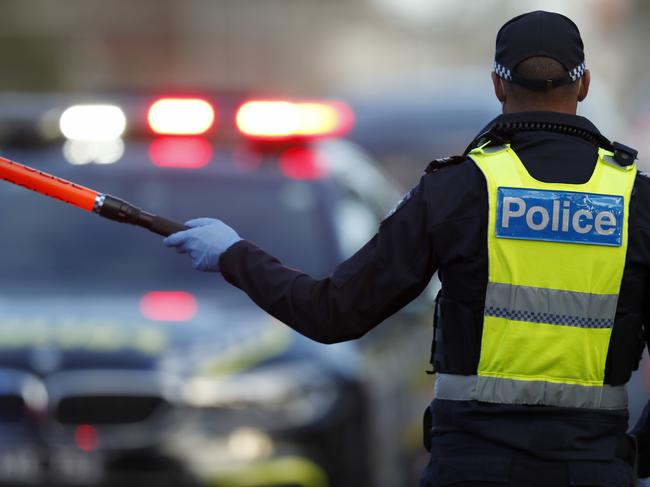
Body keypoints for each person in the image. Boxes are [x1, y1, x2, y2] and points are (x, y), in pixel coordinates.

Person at [164, 10, 649, 487]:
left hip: (470, 469)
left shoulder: (456, 190)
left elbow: (333, 312)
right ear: (583, 85)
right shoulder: (638, 203)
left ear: (498, 86)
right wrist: (632, 456)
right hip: (593, 469)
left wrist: (233, 254)